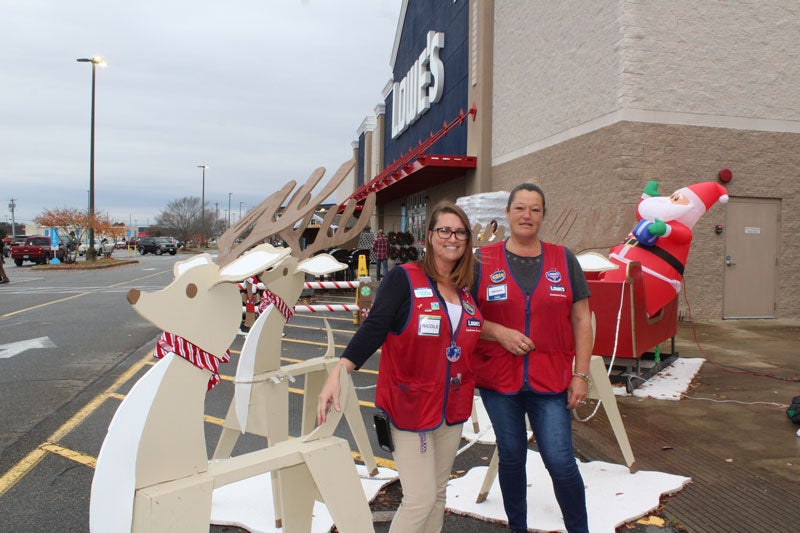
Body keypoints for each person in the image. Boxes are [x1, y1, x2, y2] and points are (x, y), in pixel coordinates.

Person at [318, 202, 483, 533]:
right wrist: (340, 371)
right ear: (430, 236)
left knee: (437, 495)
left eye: (460, 232)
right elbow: (374, 327)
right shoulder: (404, 278)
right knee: (419, 499)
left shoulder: (466, 287)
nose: (452, 237)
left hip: (451, 407)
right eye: (444, 230)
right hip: (411, 407)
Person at [471, 183, 592, 533]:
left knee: (560, 460)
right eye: (520, 208)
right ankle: (517, 528)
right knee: (512, 456)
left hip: (551, 380)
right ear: (507, 214)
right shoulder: (482, 259)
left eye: (535, 209)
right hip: (499, 381)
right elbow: (465, 316)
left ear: (542, 216)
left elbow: (582, 318)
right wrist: (499, 332)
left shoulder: (563, 258)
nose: (527, 215)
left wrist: (580, 374)